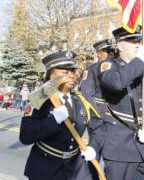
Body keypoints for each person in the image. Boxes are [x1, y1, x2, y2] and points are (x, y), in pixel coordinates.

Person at [98, 26, 144, 180]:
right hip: (119, 145)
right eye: (132, 40)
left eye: (138, 39)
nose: (137, 43)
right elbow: (117, 83)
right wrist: (139, 61)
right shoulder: (109, 66)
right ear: (120, 45)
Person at [19, 51, 103, 180]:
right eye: (64, 72)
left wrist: (92, 147)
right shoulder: (39, 99)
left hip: (76, 168)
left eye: (73, 72)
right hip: (46, 168)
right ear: (51, 75)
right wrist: (53, 120)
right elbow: (26, 136)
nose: (71, 75)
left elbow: (97, 128)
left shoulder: (81, 100)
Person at [80, 38, 115, 180]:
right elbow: (86, 94)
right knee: (94, 153)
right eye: (105, 52)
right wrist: (97, 116)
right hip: (98, 117)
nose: (109, 54)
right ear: (98, 54)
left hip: (115, 118)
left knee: (113, 156)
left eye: (110, 51)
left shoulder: (118, 68)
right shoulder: (92, 70)